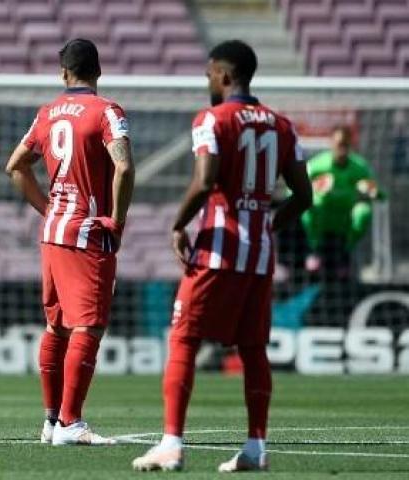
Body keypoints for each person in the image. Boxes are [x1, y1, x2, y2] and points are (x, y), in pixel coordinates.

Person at [132, 40, 312, 472]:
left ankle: (171, 444)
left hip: (218, 250)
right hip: (260, 256)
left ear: (225, 75)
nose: (208, 82)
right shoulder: (282, 126)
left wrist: (178, 224)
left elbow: (205, 179)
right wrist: (268, 225)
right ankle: (255, 448)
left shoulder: (213, 120)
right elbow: (303, 197)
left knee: (184, 339)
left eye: (210, 74)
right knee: (253, 349)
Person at [5, 38, 135, 446]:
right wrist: (117, 220)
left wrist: (48, 209)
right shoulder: (107, 111)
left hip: (53, 232)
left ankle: (50, 422)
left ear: (64, 73)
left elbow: (15, 167)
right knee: (89, 326)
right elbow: (125, 166)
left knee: (57, 326)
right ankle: (71, 423)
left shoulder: (47, 114)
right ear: (98, 71)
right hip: (86, 233)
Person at [301, 125, 383, 277]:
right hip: (322, 219)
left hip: (345, 221)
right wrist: (314, 187)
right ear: (331, 143)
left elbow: (380, 194)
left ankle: (346, 253)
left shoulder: (359, 167)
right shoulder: (317, 165)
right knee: (309, 206)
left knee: (363, 212)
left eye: (346, 144)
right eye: (339, 144)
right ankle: (314, 250)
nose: (342, 149)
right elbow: (292, 189)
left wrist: (369, 191)